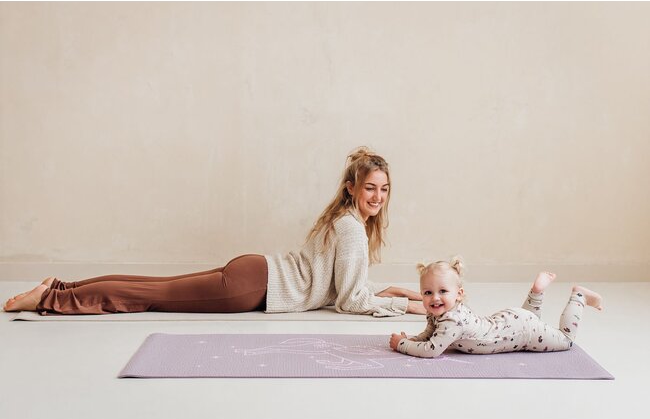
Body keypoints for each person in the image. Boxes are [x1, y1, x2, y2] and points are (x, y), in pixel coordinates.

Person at [4, 147, 426, 317]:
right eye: (370, 188)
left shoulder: (344, 220)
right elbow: (350, 301)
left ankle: (59, 287)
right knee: (150, 296)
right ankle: (50, 299)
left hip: (255, 272)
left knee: (153, 286)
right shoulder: (351, 230)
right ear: (352, 188)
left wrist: (391, 291)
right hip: (253, 287)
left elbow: (345, 285)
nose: (378, 196)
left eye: (384, 189)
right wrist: (408, 308)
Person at [389, 258, 603, 357]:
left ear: (459, 294)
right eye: (427, 293)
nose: (434, 298)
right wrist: (413, 339)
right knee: (530, 318)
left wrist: (402, 345)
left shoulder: (453, 321)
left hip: (522, 330)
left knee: (566, 340)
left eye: (443, 291)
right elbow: (430, 334)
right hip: (510, 321)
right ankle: (536, 292)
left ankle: (579, 297)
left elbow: (431, 350)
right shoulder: (440, 312)